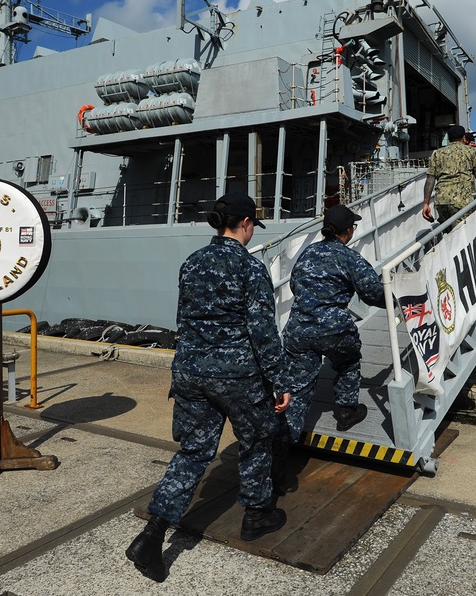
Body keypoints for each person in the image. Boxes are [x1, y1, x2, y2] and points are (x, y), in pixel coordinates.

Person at [126, 192, 291, 583]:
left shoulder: (192, 262)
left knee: (194, 452)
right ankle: (256, 515)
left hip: (189, 371)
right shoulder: (249, 268)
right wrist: (280, 381)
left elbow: (185, 317)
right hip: (236, 375)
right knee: (256, 439)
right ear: (247, 224)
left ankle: (152, 536)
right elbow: (263, 333)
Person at [273, 204, 386, 487]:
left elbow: (296, 286)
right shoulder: (349, 257)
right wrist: (401, 299)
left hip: (299, 330)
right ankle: (346, 411)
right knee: (348, 361)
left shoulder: (308, 253)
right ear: (347, 231)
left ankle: (277, 462)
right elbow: (373, 293)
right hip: (334, 328)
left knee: (296, 393)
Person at [422, 125, 476, 224]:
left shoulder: (437, 153)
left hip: (441, 201)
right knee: (463, 234)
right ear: (464, 138)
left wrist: (426, 203)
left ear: (449, 139)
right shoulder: (471, 152)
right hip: (461, 200)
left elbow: (430, 180)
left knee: (449, 235)